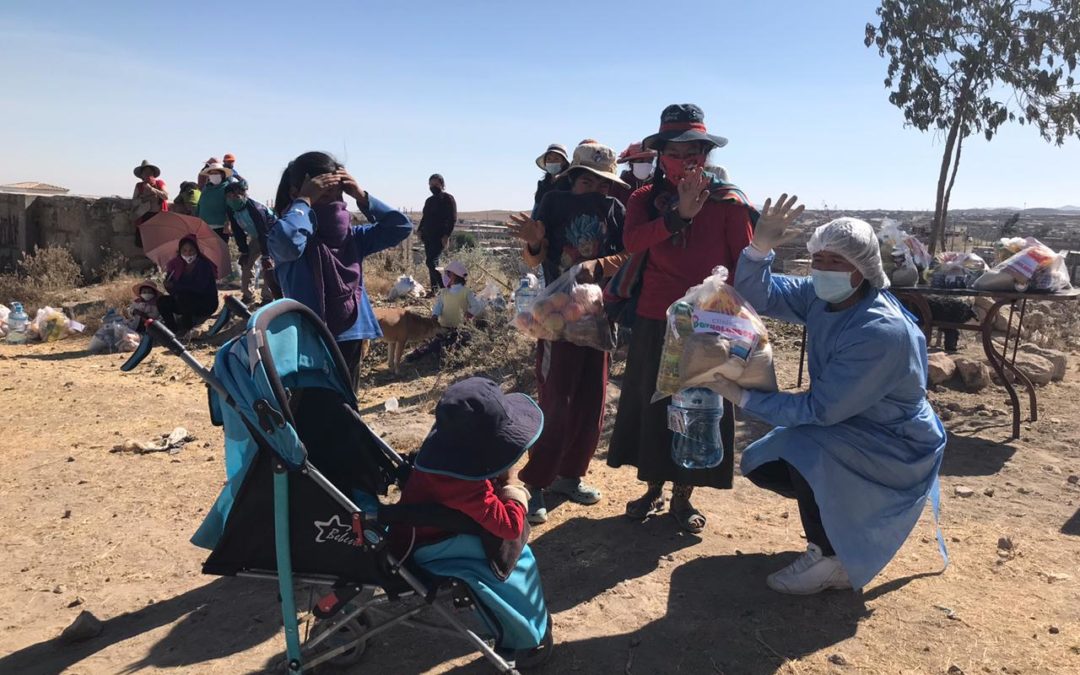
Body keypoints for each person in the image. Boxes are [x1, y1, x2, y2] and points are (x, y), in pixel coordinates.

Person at [710, 198, 947, 595]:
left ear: (863, 268)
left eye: (835, 262)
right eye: (818, 259)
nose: (822, 270)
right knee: (766, 461)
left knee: (805, 447)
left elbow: (819, 410)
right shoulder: (825, 299)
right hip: (854, 425)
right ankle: (839, 522)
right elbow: (759, 295)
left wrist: (746, 398)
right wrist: (759, 250)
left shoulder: (880, 331)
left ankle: (832, 557)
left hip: (895, 441)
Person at [607, 104, 755, 534]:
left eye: (696, 149)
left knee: (700, 409)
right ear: (661, 155)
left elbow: (742, 266)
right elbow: (634, 241)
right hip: (656, 320)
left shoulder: (729, 203)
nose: (688, 158)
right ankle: (652, 489)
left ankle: (682, 496)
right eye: (677, 150)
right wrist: (678, 216)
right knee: (653, 407)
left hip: (709, 326)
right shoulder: (642, 200)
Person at [507, 141, 629, 524]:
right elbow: (535, 256)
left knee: (592, 402)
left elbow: (629, 254)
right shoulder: (554, 203)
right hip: (555, 318)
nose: (599, 189)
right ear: (578, 175)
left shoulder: (616, 209)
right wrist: (532, 239)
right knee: (555, 399)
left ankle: (571, 476)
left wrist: (600, 265)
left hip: (597, 317)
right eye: (592, 181)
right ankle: (537, 481)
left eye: (605, 182)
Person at [393, 377, 551, 663]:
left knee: (503, 542)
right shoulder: (458, 482)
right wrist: (513, 483)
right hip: (430, 544)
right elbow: (509, 525)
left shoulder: (446, 444)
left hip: (432, 526)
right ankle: (522, 635)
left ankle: (526, 626)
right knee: (511, 550)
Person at [268, 151, 413, 390]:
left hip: (352, 335)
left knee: (346, 410)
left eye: (339, 194)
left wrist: (362, 196)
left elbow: (400, 227)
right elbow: (287, 242)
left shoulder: (352, 238)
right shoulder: (293, 238)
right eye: (324, 195)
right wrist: (304, 202)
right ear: (296, 193)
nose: (336, 203)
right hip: (307, 338)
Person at [405, 260, 485, 363]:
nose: (445, 276)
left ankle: (448, 355)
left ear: (454, 276)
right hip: (443, 327)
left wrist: (469, 314)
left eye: (448, 273)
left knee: (456, 341)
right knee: (436, 342)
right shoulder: (444, 292)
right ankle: (420, 353)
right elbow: (439, 306)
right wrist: (434, 315)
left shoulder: (466, 292)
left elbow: (476, 306)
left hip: (460, 328)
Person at [226, 181, 281, 304]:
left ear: (244, 194)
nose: (233, 199)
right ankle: (247, 295)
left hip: (272, 236)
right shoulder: (232, 209)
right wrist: (244, 251)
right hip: (257, 237)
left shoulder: (256, 209)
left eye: (236, 195)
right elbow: (237, 231)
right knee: (246, 263)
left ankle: (268, 296)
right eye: (229, 196)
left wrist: (267, 255)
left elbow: (264, 231)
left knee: (268, 266)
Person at [158, 236, 220, 336]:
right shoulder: (175, 266)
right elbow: (174, 291)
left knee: (185, 297)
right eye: (184, 250)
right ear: (180, 251)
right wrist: (168, 286)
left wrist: (176, 285)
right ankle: (172, 329)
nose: (188, 253)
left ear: (197, 250)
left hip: (205, 303)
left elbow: (199, 288)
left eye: (191, 250)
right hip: (184, 303)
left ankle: (187, 328)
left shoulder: (204, 266)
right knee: (162, 301)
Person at [418, 173, 457, 294]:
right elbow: (425, 217)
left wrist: (447, 235)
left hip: (439, 237)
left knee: (431, 262)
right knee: (432, 263)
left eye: (435, 184)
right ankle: (434, 291)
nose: (432, 187)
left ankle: (444, 289)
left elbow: (452, 218)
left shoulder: (448, 199)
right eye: (430, 184)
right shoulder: (429, 200)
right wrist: (419, 230)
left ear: (442, 184)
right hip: (428, 236)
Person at [131, 160, 169, 248]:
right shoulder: (139, 186)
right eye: (145, 172)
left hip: (158, 216)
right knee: (142, 242)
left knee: (158, 242)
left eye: (149, 172)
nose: (147, 174)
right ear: (141, 175)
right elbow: (134, 201)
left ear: (153, 174)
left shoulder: (159, 183)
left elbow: (166, 196)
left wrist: (152, 189)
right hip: (144, 216)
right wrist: (145, 198)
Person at [609, 142, 657, 207]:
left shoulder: (657, 183)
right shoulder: (619, 184)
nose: (646, 165)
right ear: (631, 163)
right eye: (641, 161)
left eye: (649, 161)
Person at [197, 161, 235, 242]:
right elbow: (200, 205)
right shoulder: (206, 188)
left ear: (222, 174)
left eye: (216, 173)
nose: (213, 175)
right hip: (204, 226)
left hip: (220, 227)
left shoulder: (227, 188)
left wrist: (228, 222)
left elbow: (231, 208)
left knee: (220, 250)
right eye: (211, 173)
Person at [532, 143, 572, 215]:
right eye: (549, 159)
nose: (552, 161)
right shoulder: (542, 184)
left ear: (563, 162)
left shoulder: (569, 182)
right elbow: (536, 207)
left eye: (556, 159)